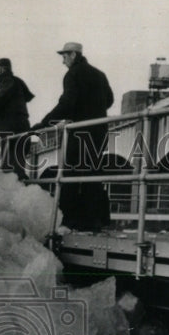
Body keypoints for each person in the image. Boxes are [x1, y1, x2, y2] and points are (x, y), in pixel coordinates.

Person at [32, 42, 114, 231]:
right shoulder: (100, 74)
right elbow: (109, 99)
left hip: (80, 132)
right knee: (93, 173)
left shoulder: (73, 74)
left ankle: (70, 221)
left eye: (64, 56)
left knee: (70, 173)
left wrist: (45, 123)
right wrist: (93, 110)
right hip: (100, 131)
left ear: (74, 55)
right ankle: (96, 221)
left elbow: (67, 103)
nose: (63, 61)